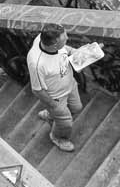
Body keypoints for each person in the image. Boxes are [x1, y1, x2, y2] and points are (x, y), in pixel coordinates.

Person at [26, 22, 83, 152]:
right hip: (56, 98)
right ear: (54, 45)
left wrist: (73, 51)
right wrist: (53, 105)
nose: (67, 39)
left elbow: (64, 49)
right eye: (64, 39)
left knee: (77, 107)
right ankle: (57, 137)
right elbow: (37, 90)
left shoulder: (45, 38)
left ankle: (51, 116)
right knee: (66, 122)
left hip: (70, 84)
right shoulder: (37, 63)